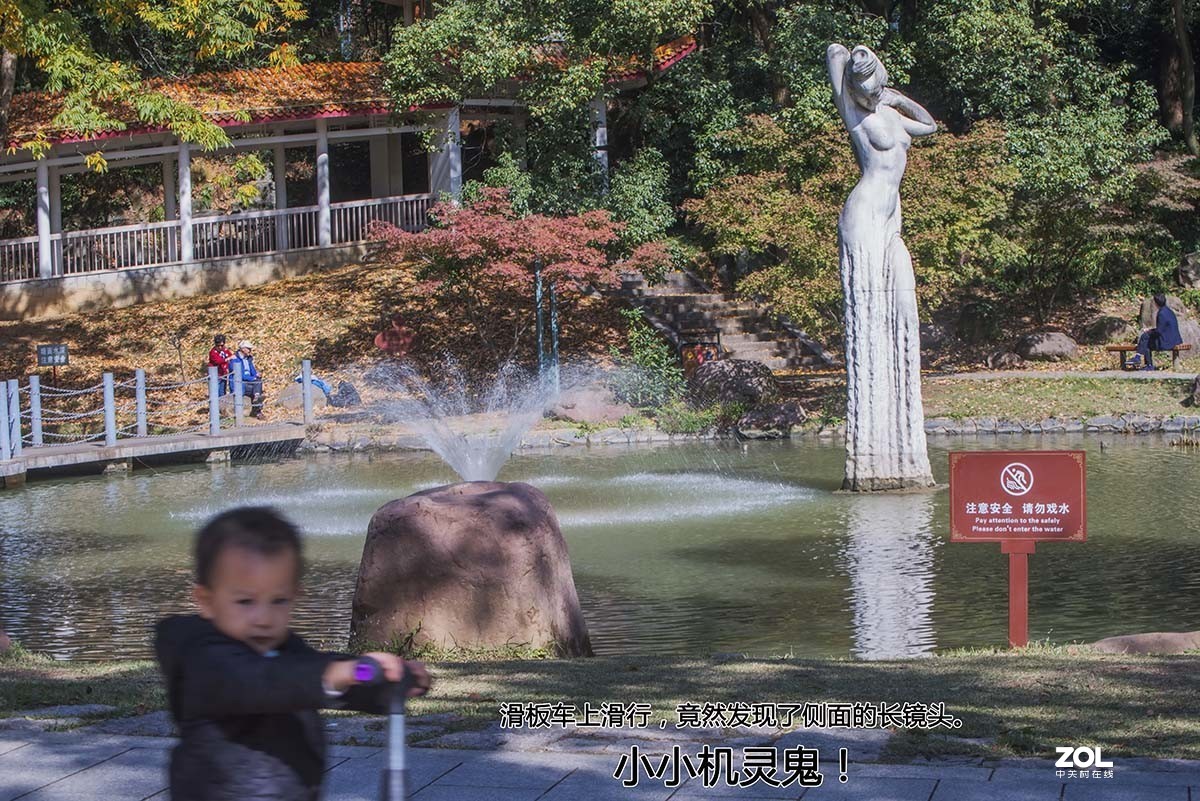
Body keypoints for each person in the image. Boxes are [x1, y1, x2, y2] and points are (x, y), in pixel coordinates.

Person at [155, 507, 430, 801]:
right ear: (206, 601)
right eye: (245, 601)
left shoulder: (284, 647)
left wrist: (386, 684)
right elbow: (268, 682)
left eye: (278, 600)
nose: (263, 617)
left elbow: (321, 677)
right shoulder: (204, 658)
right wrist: (348, 672)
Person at [1134, 293, 1183, 371]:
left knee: (1146, 339)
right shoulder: (1169, 311)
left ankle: (1144, 361)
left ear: (1156, 303)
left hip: (1167, 341)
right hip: (1173, 339)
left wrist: (1149, 331)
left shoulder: (1161, 314)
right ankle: (1139, 358)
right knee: (1146, 337)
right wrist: (1150, 330)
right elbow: (1162, 328)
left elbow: (1159, 331)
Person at [228, 340, 265, 418]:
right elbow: (239, 375)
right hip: (240, 383)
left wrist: (256, 375)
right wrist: (253, 378)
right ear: (243, 349)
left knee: (258, 383)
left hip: (250, 382)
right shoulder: (234, 359)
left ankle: (257, 398)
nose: (250, 351)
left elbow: (252, 371)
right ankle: (258, 410)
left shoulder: (248, 359)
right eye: (248, 349)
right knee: (257, 386)